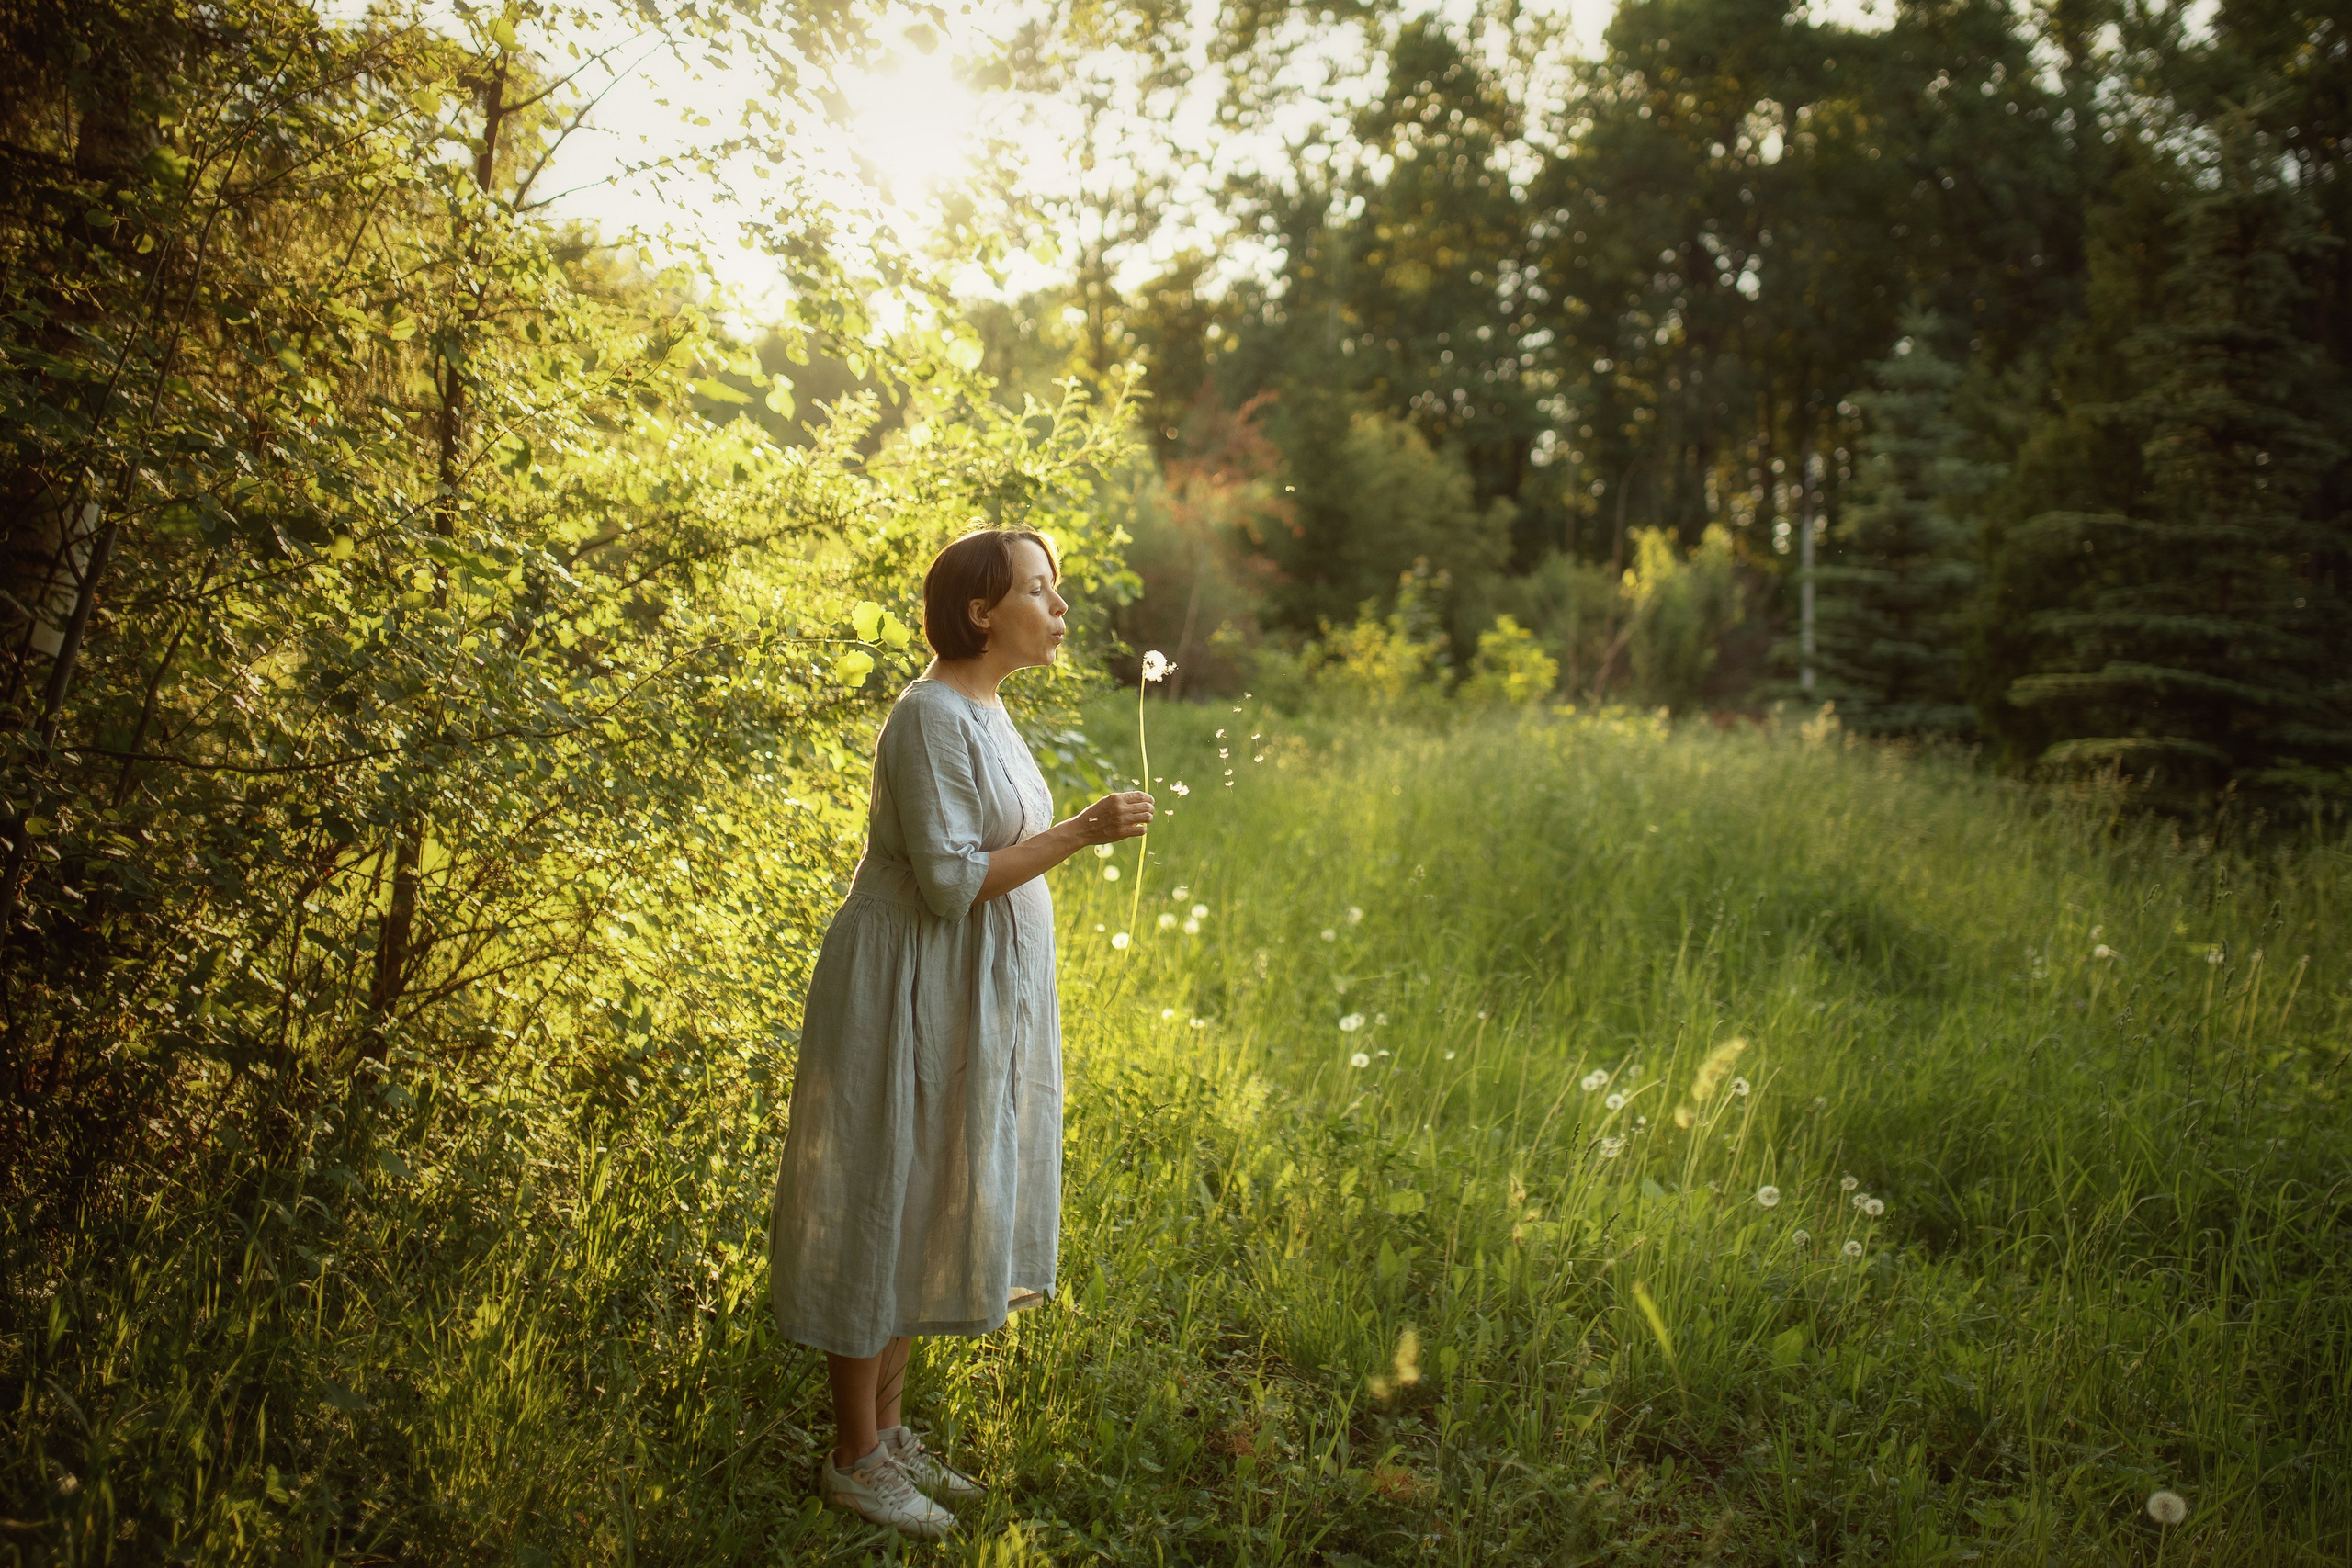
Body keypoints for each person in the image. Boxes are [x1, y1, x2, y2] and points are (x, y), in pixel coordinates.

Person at [766, 527, 1154, 1539]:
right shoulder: (930, 715)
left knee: (925, 1193)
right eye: (1039, 590)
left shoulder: (986, 707)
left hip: (957, 987)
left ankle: (888, 1435)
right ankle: (855, 1459)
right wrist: (1081, 830)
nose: (1059, 609)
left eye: (1055, 589)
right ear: (981, 611)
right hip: (902, 982)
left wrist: (1070, 835)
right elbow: (947, 881)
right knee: (880, 1195)